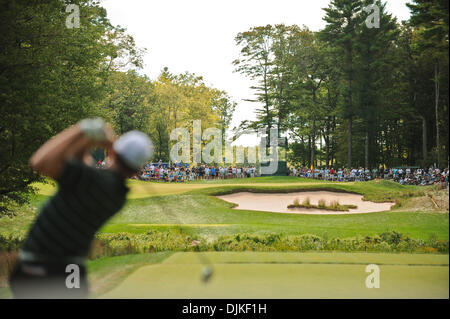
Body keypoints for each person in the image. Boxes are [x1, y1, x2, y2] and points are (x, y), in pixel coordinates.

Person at [8, 118, 153, 299]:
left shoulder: (93, 180)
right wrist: (90, 140)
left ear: (114, 152)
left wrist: (82, 130)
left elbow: (39, 162)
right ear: (137, 168)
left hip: (39, 268)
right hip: (72, 271)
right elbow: (80, 163)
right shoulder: (117, 193)